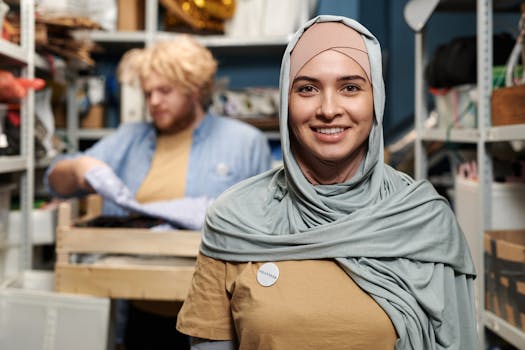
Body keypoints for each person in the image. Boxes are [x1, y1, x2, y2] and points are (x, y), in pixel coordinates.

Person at [176, 15, 478, 350]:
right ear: (285, 102)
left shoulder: (424, 219)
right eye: (307, 88)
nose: (329, 109)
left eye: (350, 87)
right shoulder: (234, 219)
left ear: (375, 98)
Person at [45, 35, 272, 349]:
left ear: (195, 88)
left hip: (214, 318)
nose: (153, 102)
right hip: (141, 309)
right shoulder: (130, 138)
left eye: (164, 91)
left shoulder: (244, 142)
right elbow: (54, 182)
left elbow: (267, 225)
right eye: (148, 92)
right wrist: (77, 168)